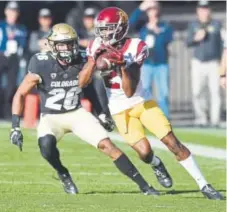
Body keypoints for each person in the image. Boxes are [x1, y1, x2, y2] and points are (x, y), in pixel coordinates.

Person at [79, 7, 224, 200]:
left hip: (141, 102)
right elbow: (82, 82)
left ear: (121, 29)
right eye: (102, 29)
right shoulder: (95, 44)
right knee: (144, 153)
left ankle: (204, 185)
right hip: (119, 109)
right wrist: (92, 59)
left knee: (172, 143)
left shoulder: (136, 47)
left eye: (108, 29)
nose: (104, 33)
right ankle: (157, 163)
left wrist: (121, 65)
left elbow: (129, 91)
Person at [10, 23, 161, 196]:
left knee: (108, 146)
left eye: (70, 43)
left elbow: (90, 89)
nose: (66, 48)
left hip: (76, 113)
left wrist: (102, 112)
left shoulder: (83, 59)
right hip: (51, 117)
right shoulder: (41, 62)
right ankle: (63, 173)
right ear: (52, 45)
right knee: (45, 147)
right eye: (61, 44)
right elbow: (20, 93)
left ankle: (145, 187)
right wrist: (15, 126)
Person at [129, 0, 173, 118]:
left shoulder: (165, 26)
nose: (152, 12)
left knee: (163, 93)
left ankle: (164, 117)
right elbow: (130, 24)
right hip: (146, 64)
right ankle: (145, 116)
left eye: (154, 9)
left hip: (161, 64)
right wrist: (141, 8)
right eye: (149, 9)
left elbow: (168, 42)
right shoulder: (142, 26)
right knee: (144, 91)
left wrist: (157, 31)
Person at [187, 0, 222, 127]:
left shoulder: (216, 24)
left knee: (215, 92)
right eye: (202, 9)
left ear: (210, 10)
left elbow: (222, 43)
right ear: (198, 11)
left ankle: (215, 120)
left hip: (213, 63)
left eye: (206, 8)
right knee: (197, 91)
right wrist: (196, 38)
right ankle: (201, 118)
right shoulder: (193, 25)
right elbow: (188, 42)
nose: (204, 11)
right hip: (198, 62)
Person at [0, 1, 27, 119]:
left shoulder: (21, 28)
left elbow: (23, 45)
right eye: (11, 11)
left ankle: (6, 114)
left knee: (11, 87)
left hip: (14, 58)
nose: (12, 14)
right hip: (1, 55)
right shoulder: (1, 25)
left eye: (15, 11)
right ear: (6, 11)